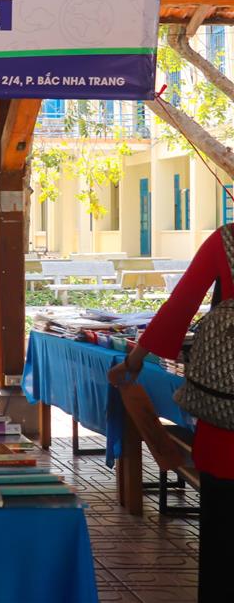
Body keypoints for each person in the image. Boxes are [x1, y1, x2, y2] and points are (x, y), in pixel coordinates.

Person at [109, 225, 234, 603]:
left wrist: (134, 360)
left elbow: (181, 305)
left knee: (222, 538)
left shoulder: (227, 241)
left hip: (226, 422)